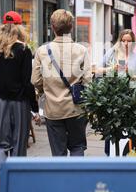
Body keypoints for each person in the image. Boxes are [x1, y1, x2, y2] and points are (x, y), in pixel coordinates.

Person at [0, 11, 39, 192]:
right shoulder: (24, 50)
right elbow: (27, 83)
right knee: (18, 142)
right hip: (19, 102)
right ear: (20, 28)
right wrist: (35, 107)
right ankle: (16, 185)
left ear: (2, 26)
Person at [31, 9, 92, 157]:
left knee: (58, 153)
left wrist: (45, 90)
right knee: (77, 147)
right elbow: (88, 82)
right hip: (76, 109)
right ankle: (77, 179)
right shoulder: (81, 50)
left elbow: (35, 80)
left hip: (53, 109)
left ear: (52, 27)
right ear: (71, 27)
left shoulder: (42, 51)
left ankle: (61, 180)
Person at [98, 29, 136, 155]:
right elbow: (97, 70)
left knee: (130, 132)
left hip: (130, 100)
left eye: (129, 41)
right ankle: (109, 155)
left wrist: (132, 75)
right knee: (112, 131)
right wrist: (112, 69)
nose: (126, 44)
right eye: (123, 40)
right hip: (112, 98)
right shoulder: (111, 53)